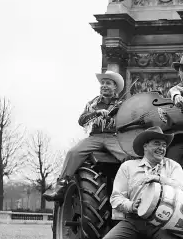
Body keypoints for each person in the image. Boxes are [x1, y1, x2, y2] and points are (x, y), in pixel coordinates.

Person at [43, 71, 126, 202]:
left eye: (108, 83)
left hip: (114, 137)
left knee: (128, 157)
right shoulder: (92, 103)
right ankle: (61, 187)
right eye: (102, 83)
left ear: (115, 87)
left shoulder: (122, 104)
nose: (104, 85)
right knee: (73, 152)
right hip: (95, 137)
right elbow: (81, 121)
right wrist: (97, 113)